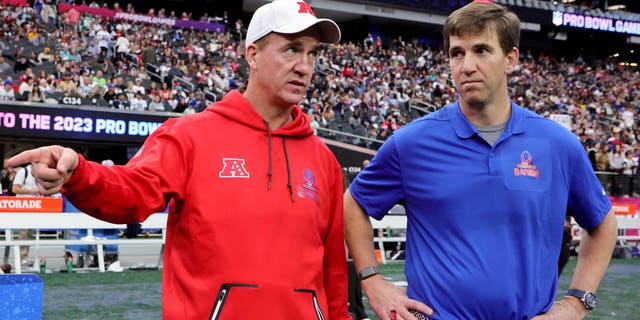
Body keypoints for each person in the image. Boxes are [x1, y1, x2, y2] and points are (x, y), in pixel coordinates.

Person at [7, 0, 349, 319]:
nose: (304, 66)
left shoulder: (323, 160)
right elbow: (131, 192)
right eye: (291, 49)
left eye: (312, 53)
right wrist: (79, 171)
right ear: (253, 54)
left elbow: (334, 270)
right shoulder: (189, 136)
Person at [343, 2, 618, 320]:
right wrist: (372, 280)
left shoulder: (558, 145)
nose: (467, 65)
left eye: (481, 50)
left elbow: (602, 223)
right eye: (456, 53)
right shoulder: (411, 143)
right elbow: (355, 204)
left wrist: (577, 302)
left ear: (510, 59)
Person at [12, 163, 40, 267]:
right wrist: (31, 191)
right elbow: (15, 189)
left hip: (35, 207)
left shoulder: (38, 174)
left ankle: (25, 258)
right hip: (23, 206)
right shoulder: (23, 172)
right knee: (23, 233)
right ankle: (20, 258)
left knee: (29, 234)